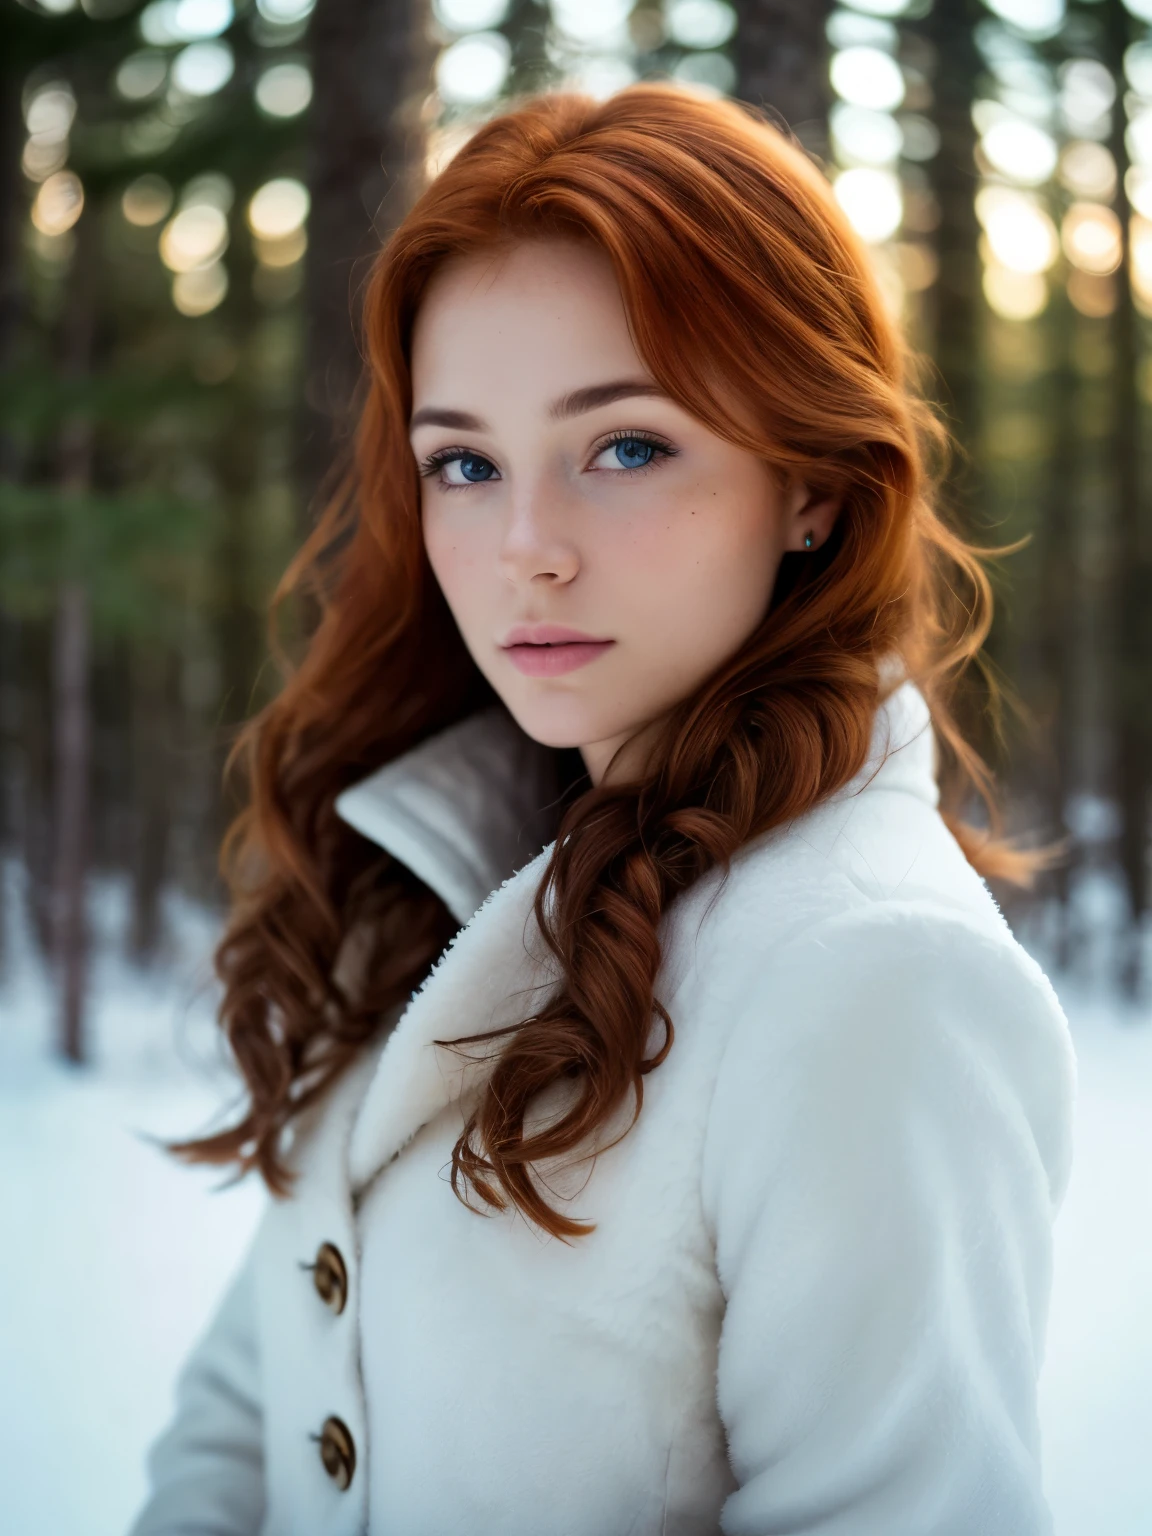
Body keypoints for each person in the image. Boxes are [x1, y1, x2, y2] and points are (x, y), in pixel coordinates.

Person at [130, 84, 1075, 1536]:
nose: (525, 551)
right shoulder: (434, 870)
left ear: (812, 484)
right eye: (465, 463)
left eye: (625, 445)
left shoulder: (871, 975)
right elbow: (251, 1421)